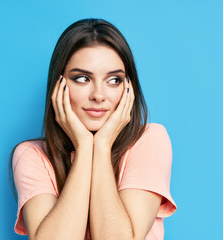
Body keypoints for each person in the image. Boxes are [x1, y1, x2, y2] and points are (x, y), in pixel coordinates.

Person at [9, 18, 177, 240]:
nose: (98, 95)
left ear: (128, 88)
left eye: (114, 80)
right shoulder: (33, 156)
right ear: (59, 85)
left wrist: (103, 145)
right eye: (82, 78)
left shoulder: (149, 140)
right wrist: (85, 146)